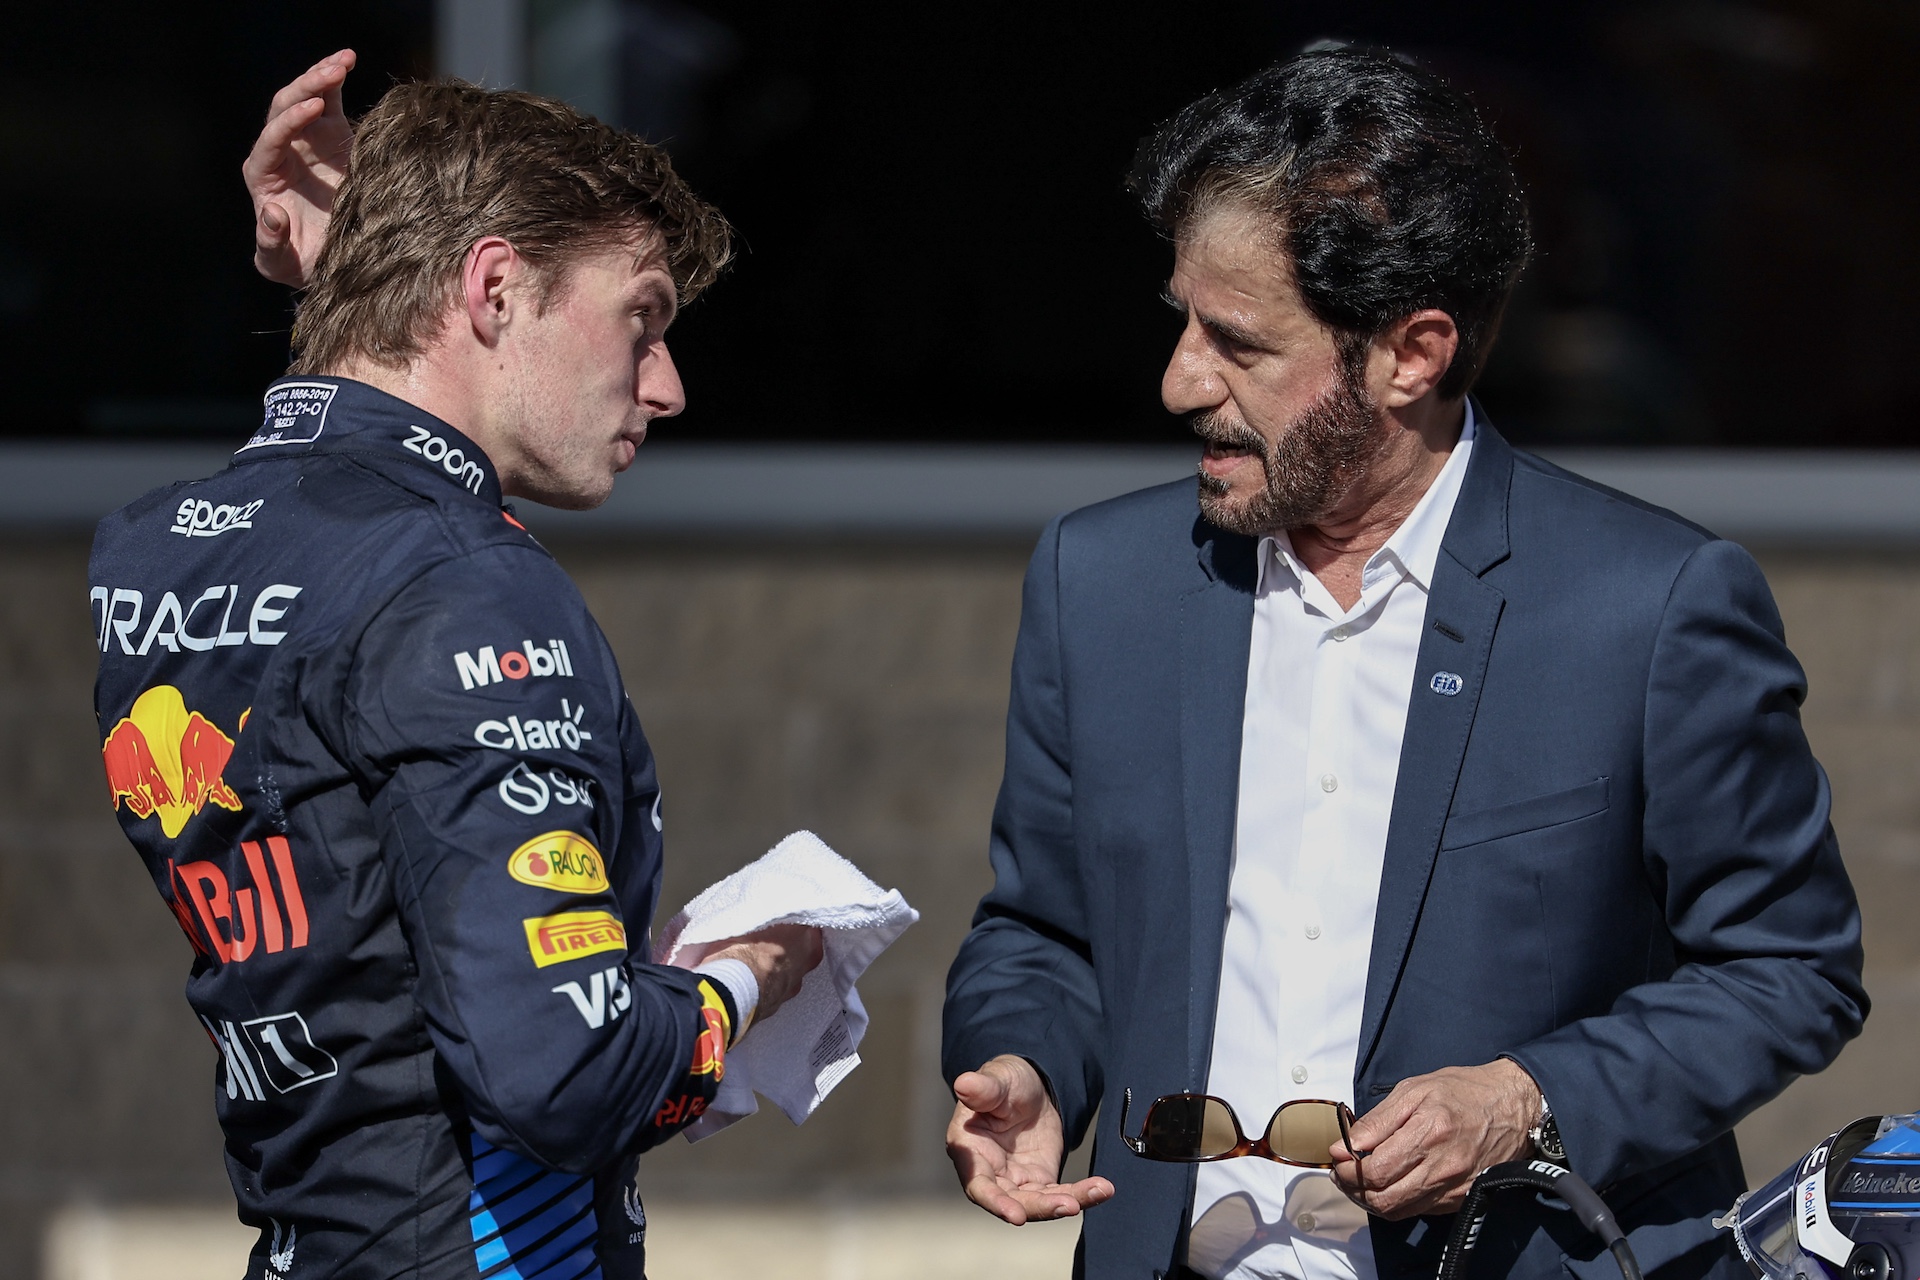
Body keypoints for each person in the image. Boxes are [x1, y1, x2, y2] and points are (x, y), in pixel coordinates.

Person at [940, 45, 1868, 1280]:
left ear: (1411, 354)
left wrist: (1531, 1098)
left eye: (1240, 343)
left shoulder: (1648, 605)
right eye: (1181, 323)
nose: (1179, 382)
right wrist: (1024, 1062)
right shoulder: (1098, 581)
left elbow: (1789, 967)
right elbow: (1044, 930)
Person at [93, 54, 821, 1280]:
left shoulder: (156, 544)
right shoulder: (459, 576)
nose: (667, 384)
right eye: (642, 317)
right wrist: (746, 980)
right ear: (493, 286)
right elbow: (567, 1067)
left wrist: (367, 277)